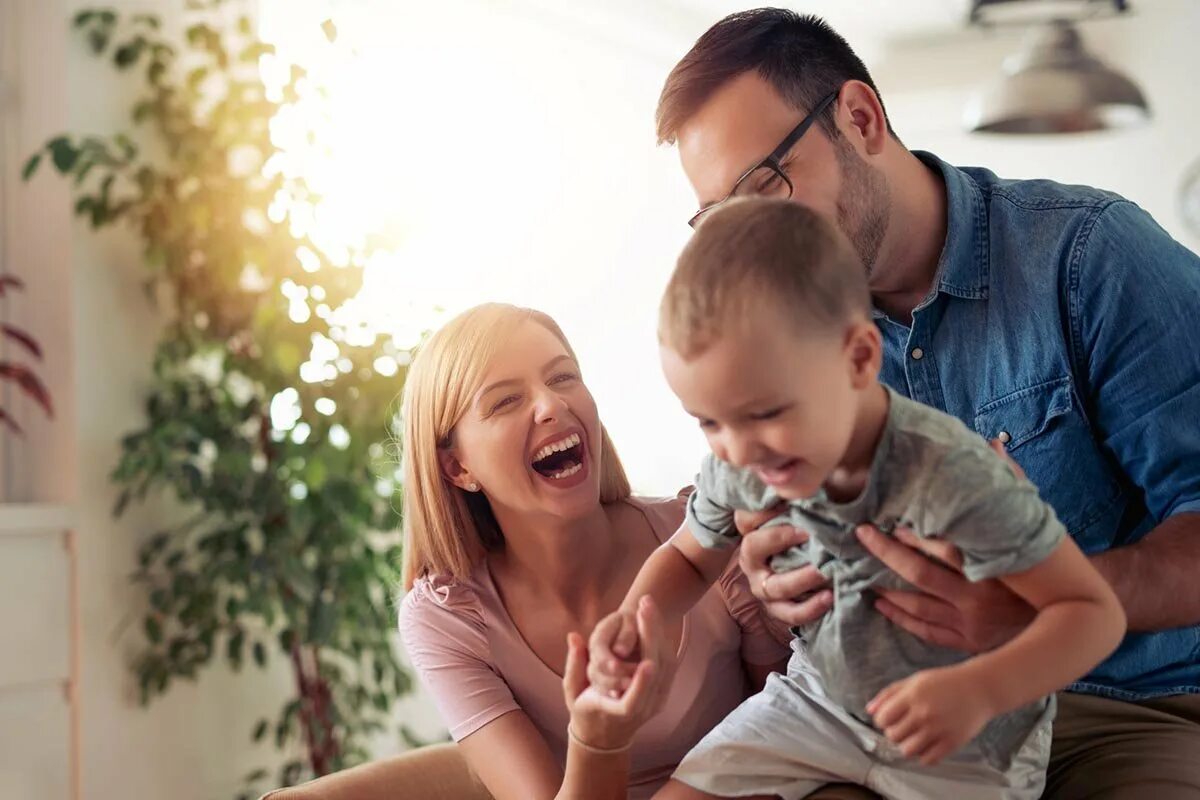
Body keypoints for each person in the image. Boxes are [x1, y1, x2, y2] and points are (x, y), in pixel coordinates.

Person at [654, 9, 1200, 798]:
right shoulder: (778, 344)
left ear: (861, 118)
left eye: (766, 188)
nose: (757, 239)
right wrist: (773, 583)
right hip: (873, 717)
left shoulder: (1092, 258)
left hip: (1130, 706)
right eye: (725, 218)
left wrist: (1025, 611)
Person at [590, 197, 1125, 799]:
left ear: (860, 358)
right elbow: (689, 559)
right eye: (707, 422)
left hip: (971, 742)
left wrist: (979, 692)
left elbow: (1092, 615)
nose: (738, 451)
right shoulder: (742, 459)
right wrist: (640, 619)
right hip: (819, 703)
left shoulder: (951, 472)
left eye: (764, 413)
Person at [394, 302, 810, 800]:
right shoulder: (448, 616)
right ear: (457, 468)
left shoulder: (703, 535)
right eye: (505, 402)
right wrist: (598, 742)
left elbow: (796, 731)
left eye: (563, 377)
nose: (551, 405)